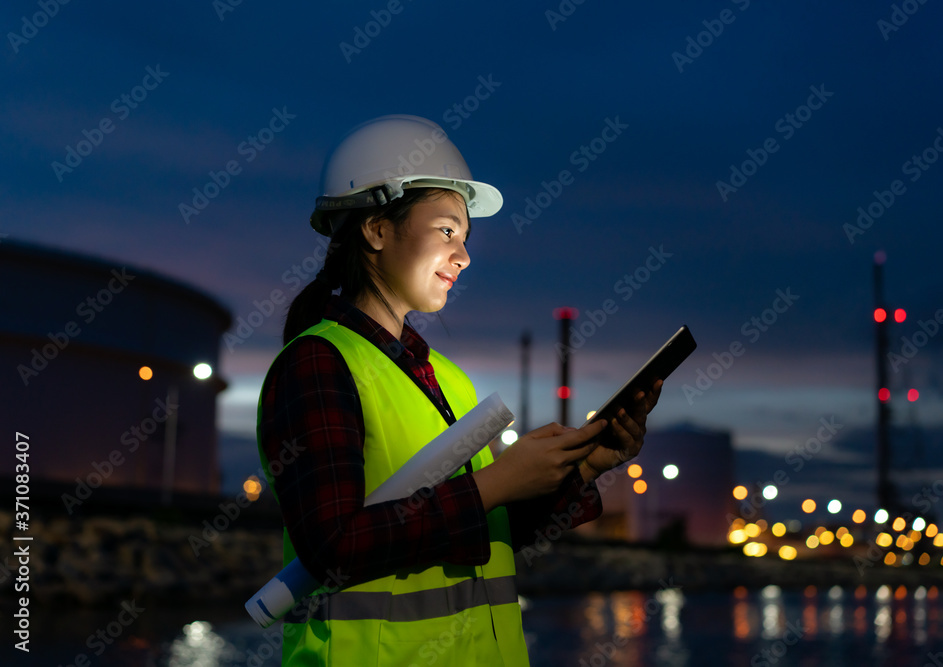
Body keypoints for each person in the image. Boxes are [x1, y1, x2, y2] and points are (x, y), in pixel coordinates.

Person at [256, 115, 663, 665]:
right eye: (447, 231)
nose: (464, 256)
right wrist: (495, 483)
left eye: (465, 238)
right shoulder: (318, 363)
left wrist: (586, 466)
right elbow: (333, 548)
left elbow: (489, 534)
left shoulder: (447, 378)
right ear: (376, 229)